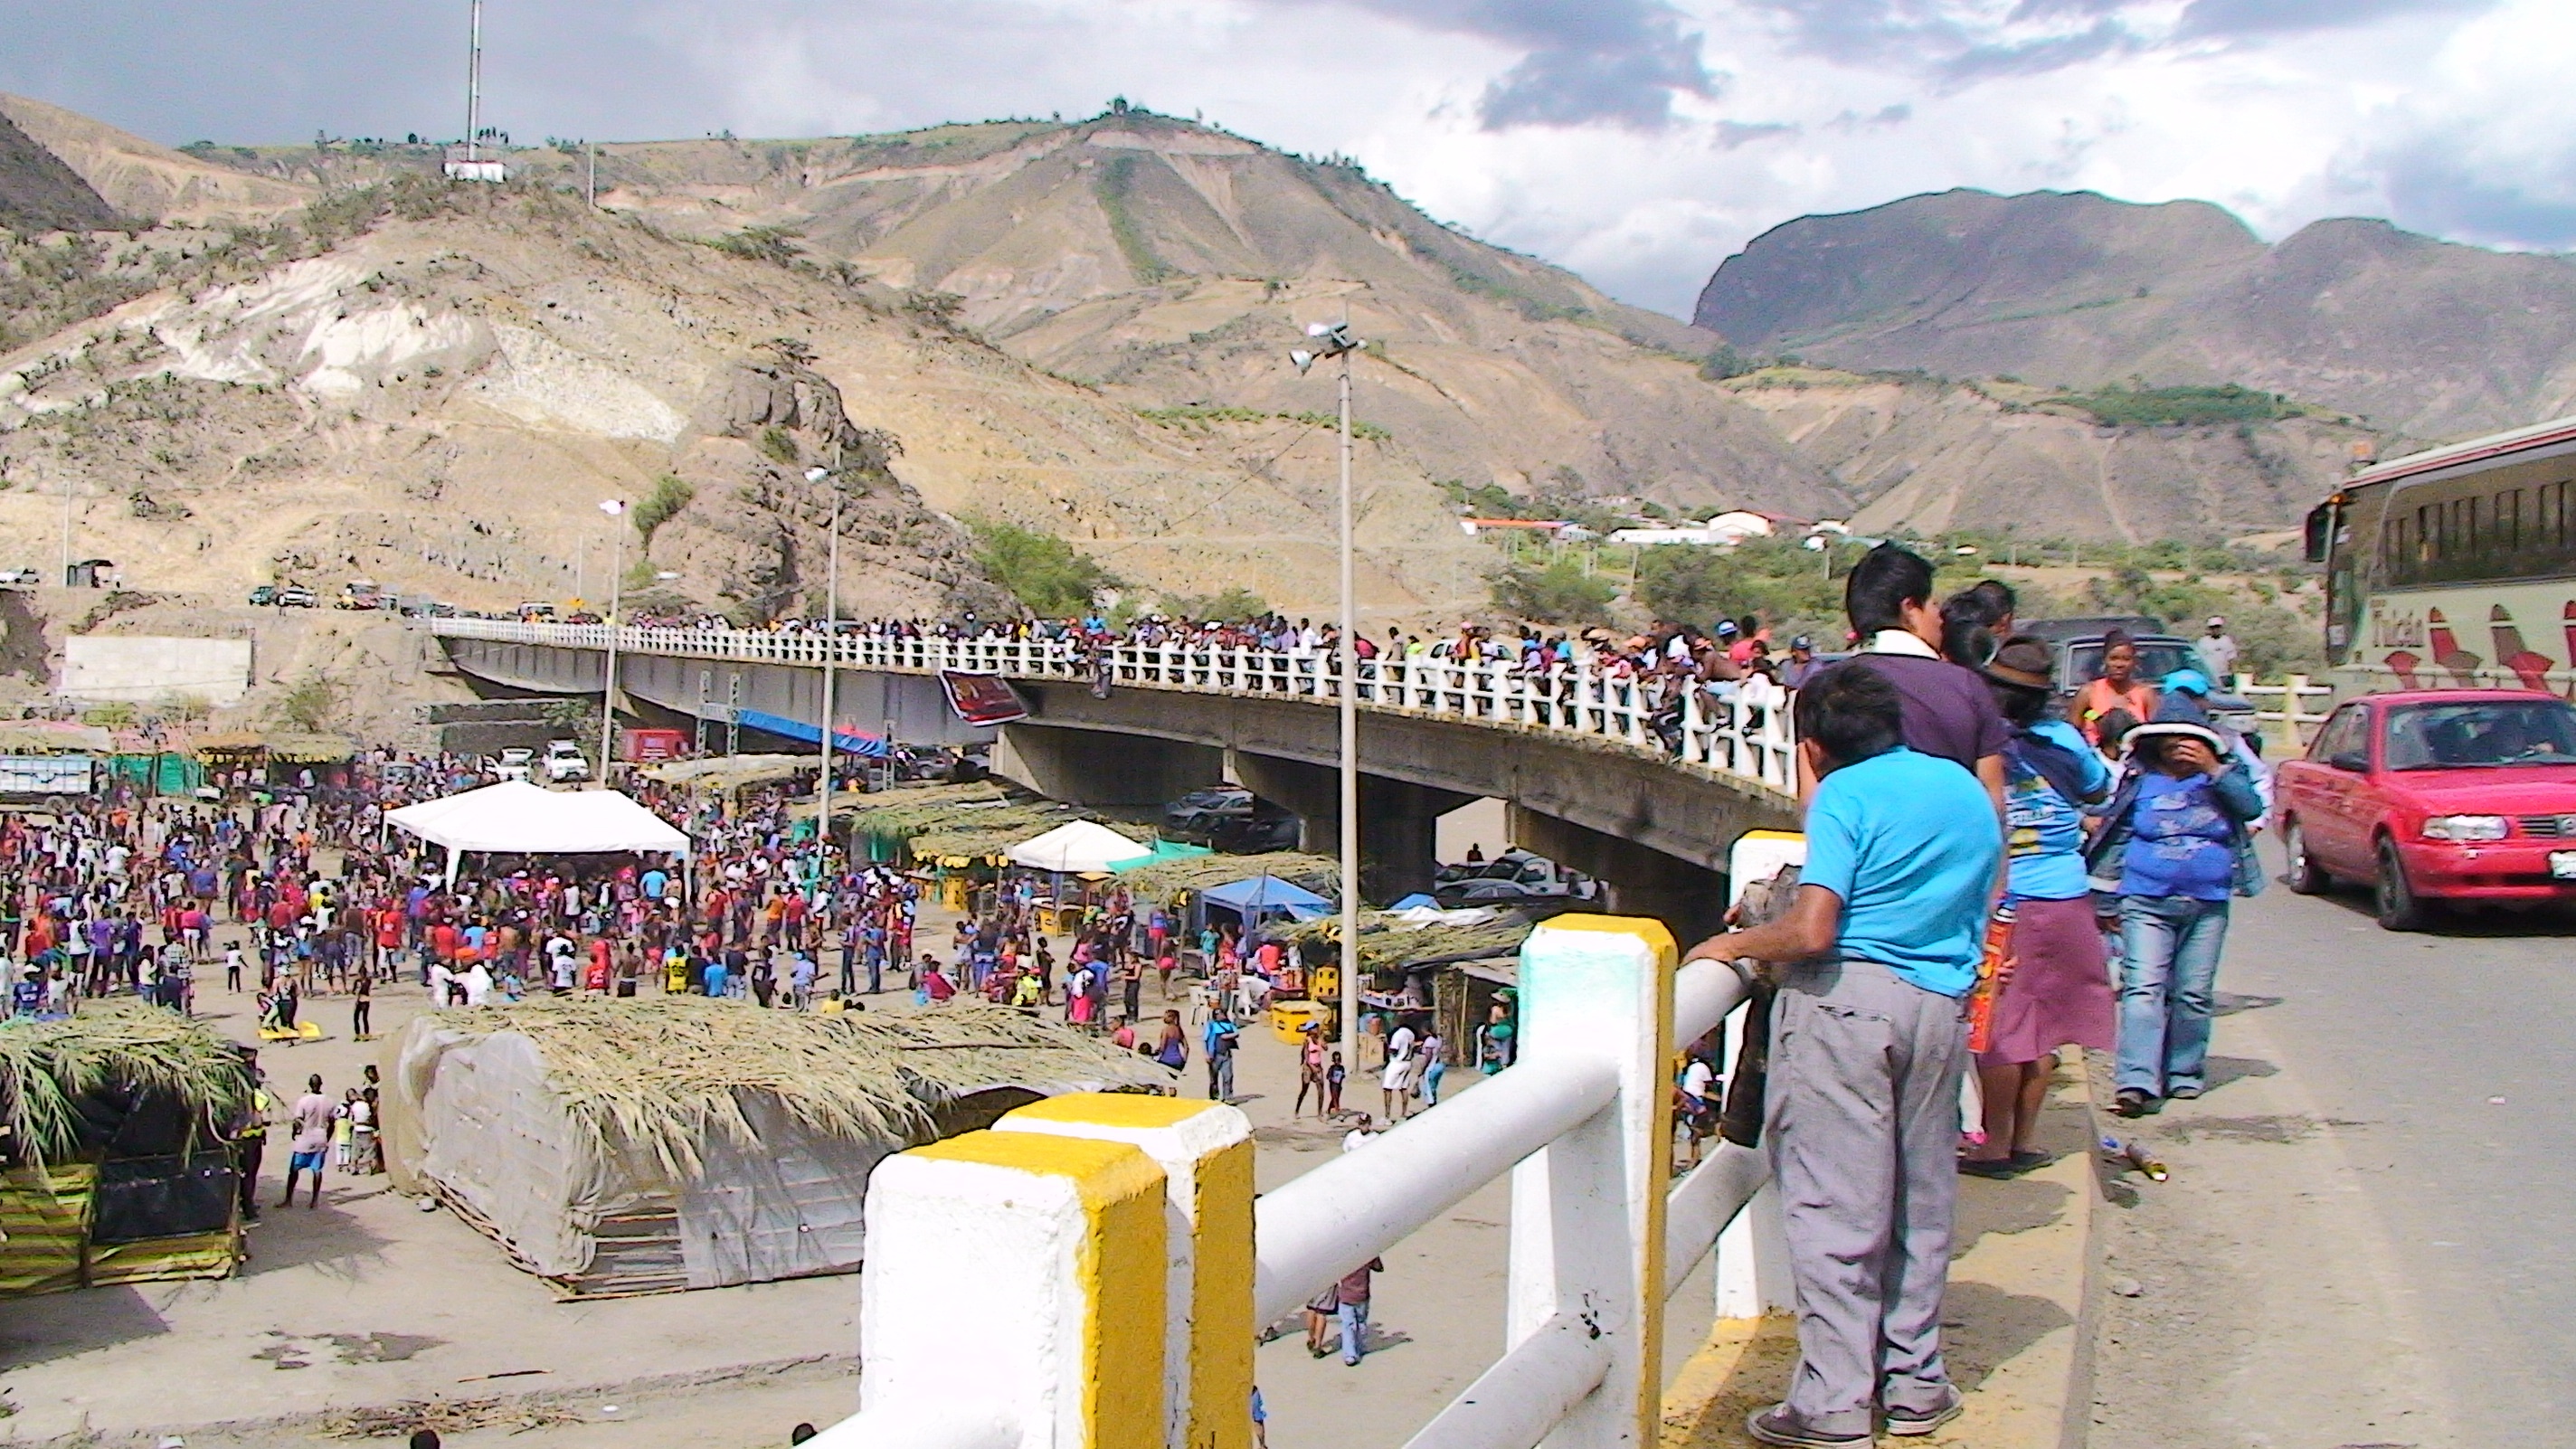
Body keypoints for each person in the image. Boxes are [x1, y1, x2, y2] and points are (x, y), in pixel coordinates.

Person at [1683, 663, 2002, 1446]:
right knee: (1919, 1203)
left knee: (1835, 1208)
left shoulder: (1845, 796)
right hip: (1936, 1009)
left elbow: (1813, 930)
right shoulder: (1964, 789)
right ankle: (1916, 1384)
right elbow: (1989, 893)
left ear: (1815, 747)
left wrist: (1728, 943)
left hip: (1845, 1008)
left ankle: (1832, 1404)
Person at [1962, 638, 2115, 1178]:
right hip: (2068, 895)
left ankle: (1993, 1145)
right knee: (2044, 1030)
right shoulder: (2065, 740)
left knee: (2001, 1028)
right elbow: (2100, 788)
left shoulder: (1981, 745)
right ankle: (2023, 1138)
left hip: (2012, 901)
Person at [2084, 720, 2266, 1118]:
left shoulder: (2224, 780)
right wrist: (2105, 902)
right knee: (2143, 990)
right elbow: (2116, 840)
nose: (2180, 751)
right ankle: (2136, 1080)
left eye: (2190, 744)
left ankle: (2184, 1070)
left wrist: (2213, 771)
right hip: (2145, 901)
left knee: (2192, 993)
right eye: (2171, 744)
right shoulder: (2142, 784)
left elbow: (2253, 808)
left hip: (2207, 904)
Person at [1803, 544, 2008, 813]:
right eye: (1933, 604)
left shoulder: (1824, 689)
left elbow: (1811, 802)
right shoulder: (1967, 686)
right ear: (1910, 608)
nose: (1940, 618)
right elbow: (1993, 804)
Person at [2075, 630, 2158, 747]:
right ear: (2105, 660)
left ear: (2135, 662)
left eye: (2126, 659)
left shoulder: (2145, 694)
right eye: (2114, 658)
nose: (2119, 664)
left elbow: (2155, 736)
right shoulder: (2088, 693)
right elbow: (2072, 735)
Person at [284, 1074, 334, 1209]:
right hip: (321, 1136)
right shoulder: (328, 1101)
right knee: (317, 1170)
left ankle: (289, 1200)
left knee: (294, 1169)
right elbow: (332, 1123)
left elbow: (298, 1121)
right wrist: (327, 1139)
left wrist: (294, 1133)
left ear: (310, 1085)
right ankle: (314, 1200)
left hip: (306, 1136)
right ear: (321, 1084)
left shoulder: (304, 1101)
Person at [1335, 1256, 1383, 1366]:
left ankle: (1350, 1354)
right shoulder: (1367, 1255)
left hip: (1345, 1295)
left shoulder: (1343, 1258)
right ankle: (1360, 1347)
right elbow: (1379, 1268)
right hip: (1362, 1295)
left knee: (1348, 1325)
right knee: (1361, 1322)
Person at [1380, 1018, 1417, 1120]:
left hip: (1397, 1062)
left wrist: (1386, 1044)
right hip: (1408, 1061)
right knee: (1403, 1087)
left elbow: (1393, 1050)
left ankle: (1387, 1117)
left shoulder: (1398, 1035)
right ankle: (1404, 1112)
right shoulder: (1410, 1033)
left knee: (1387, 1088)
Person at [2197, 616, 2239, 681]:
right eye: (2213, 628)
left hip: (2224, 675)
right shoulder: (2203, 642)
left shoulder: (2226, 640)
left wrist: (2233, 674)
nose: (2215, 630)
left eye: (2217, 627)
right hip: (2209, 675)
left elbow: (2231, 658)